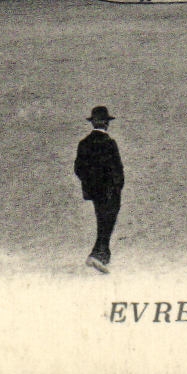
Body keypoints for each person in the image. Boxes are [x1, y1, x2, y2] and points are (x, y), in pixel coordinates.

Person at [74, 106, 125, 273]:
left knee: (101, 220)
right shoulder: (109, 143)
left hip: (94, 192)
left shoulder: (84, 144)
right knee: (107, 221)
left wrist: (90, 184)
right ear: (106, 124)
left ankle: (100, 254)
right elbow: (117, 169)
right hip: (110, 190)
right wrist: (116, 186)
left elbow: (78, 168)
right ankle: (99, 255)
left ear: (92, 123)